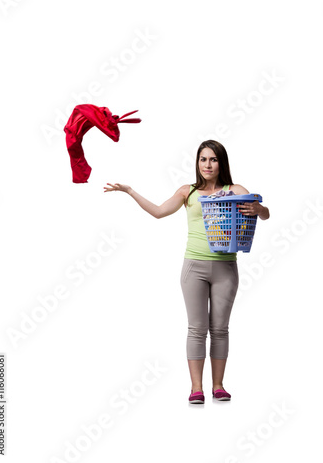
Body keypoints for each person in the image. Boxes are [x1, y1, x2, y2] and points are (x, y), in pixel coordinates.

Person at [104, 140, 270, 404]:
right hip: (194, 267)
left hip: (226, 267)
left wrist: (259, 209)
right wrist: (130, 191)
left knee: (220, 329)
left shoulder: (235, 190)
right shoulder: (187, 192)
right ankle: (196, 388)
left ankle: (218, 386)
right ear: (197, 163)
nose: (207, 164)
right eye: (203, 159)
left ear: (221, 162)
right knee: (197, 328)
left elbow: (263, 213)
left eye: (213, 159)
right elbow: (159, 212)